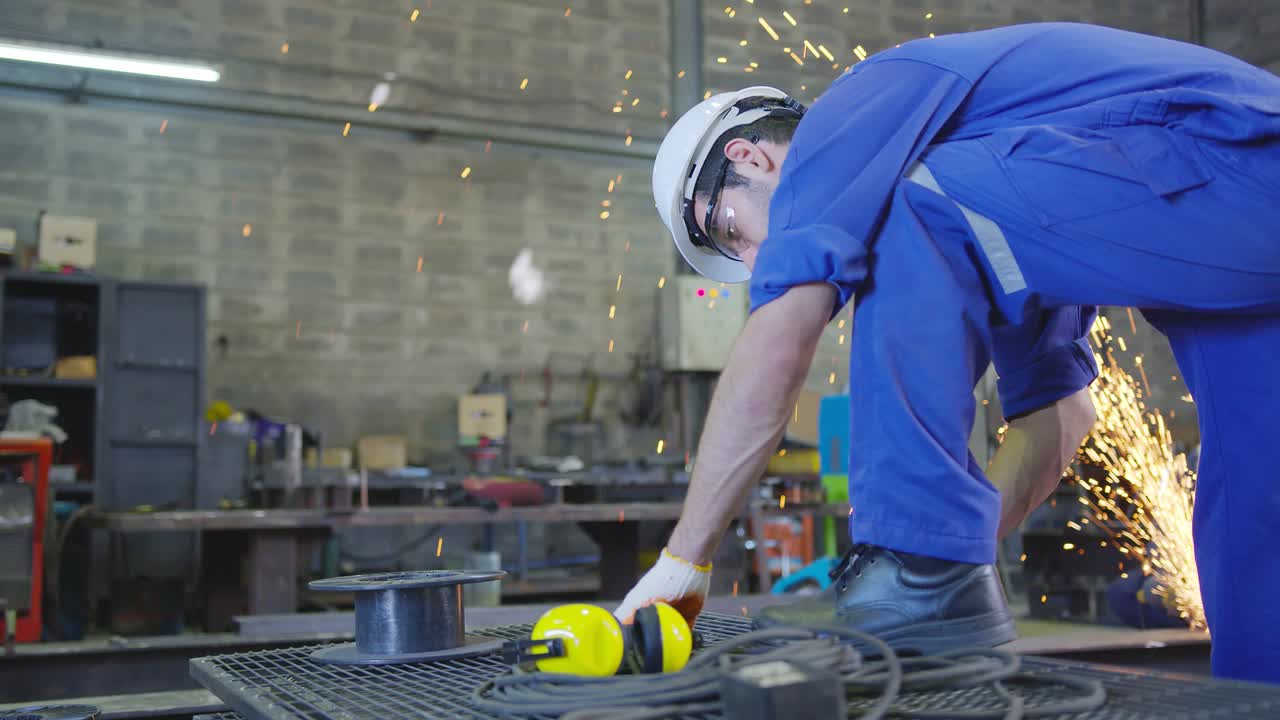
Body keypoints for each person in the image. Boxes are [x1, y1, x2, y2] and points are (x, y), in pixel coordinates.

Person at [613, 22, 1280, 684]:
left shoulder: (848, 116)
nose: (756, 263)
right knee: (1254, 521)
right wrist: (966, 552)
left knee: (910, 205)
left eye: (733, 233)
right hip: (1239, 226)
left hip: (1238, 156)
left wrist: (684, 561)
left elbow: (783, 333)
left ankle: (915, 561)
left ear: (750, 156)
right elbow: (1061, 414)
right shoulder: (1016, 205)